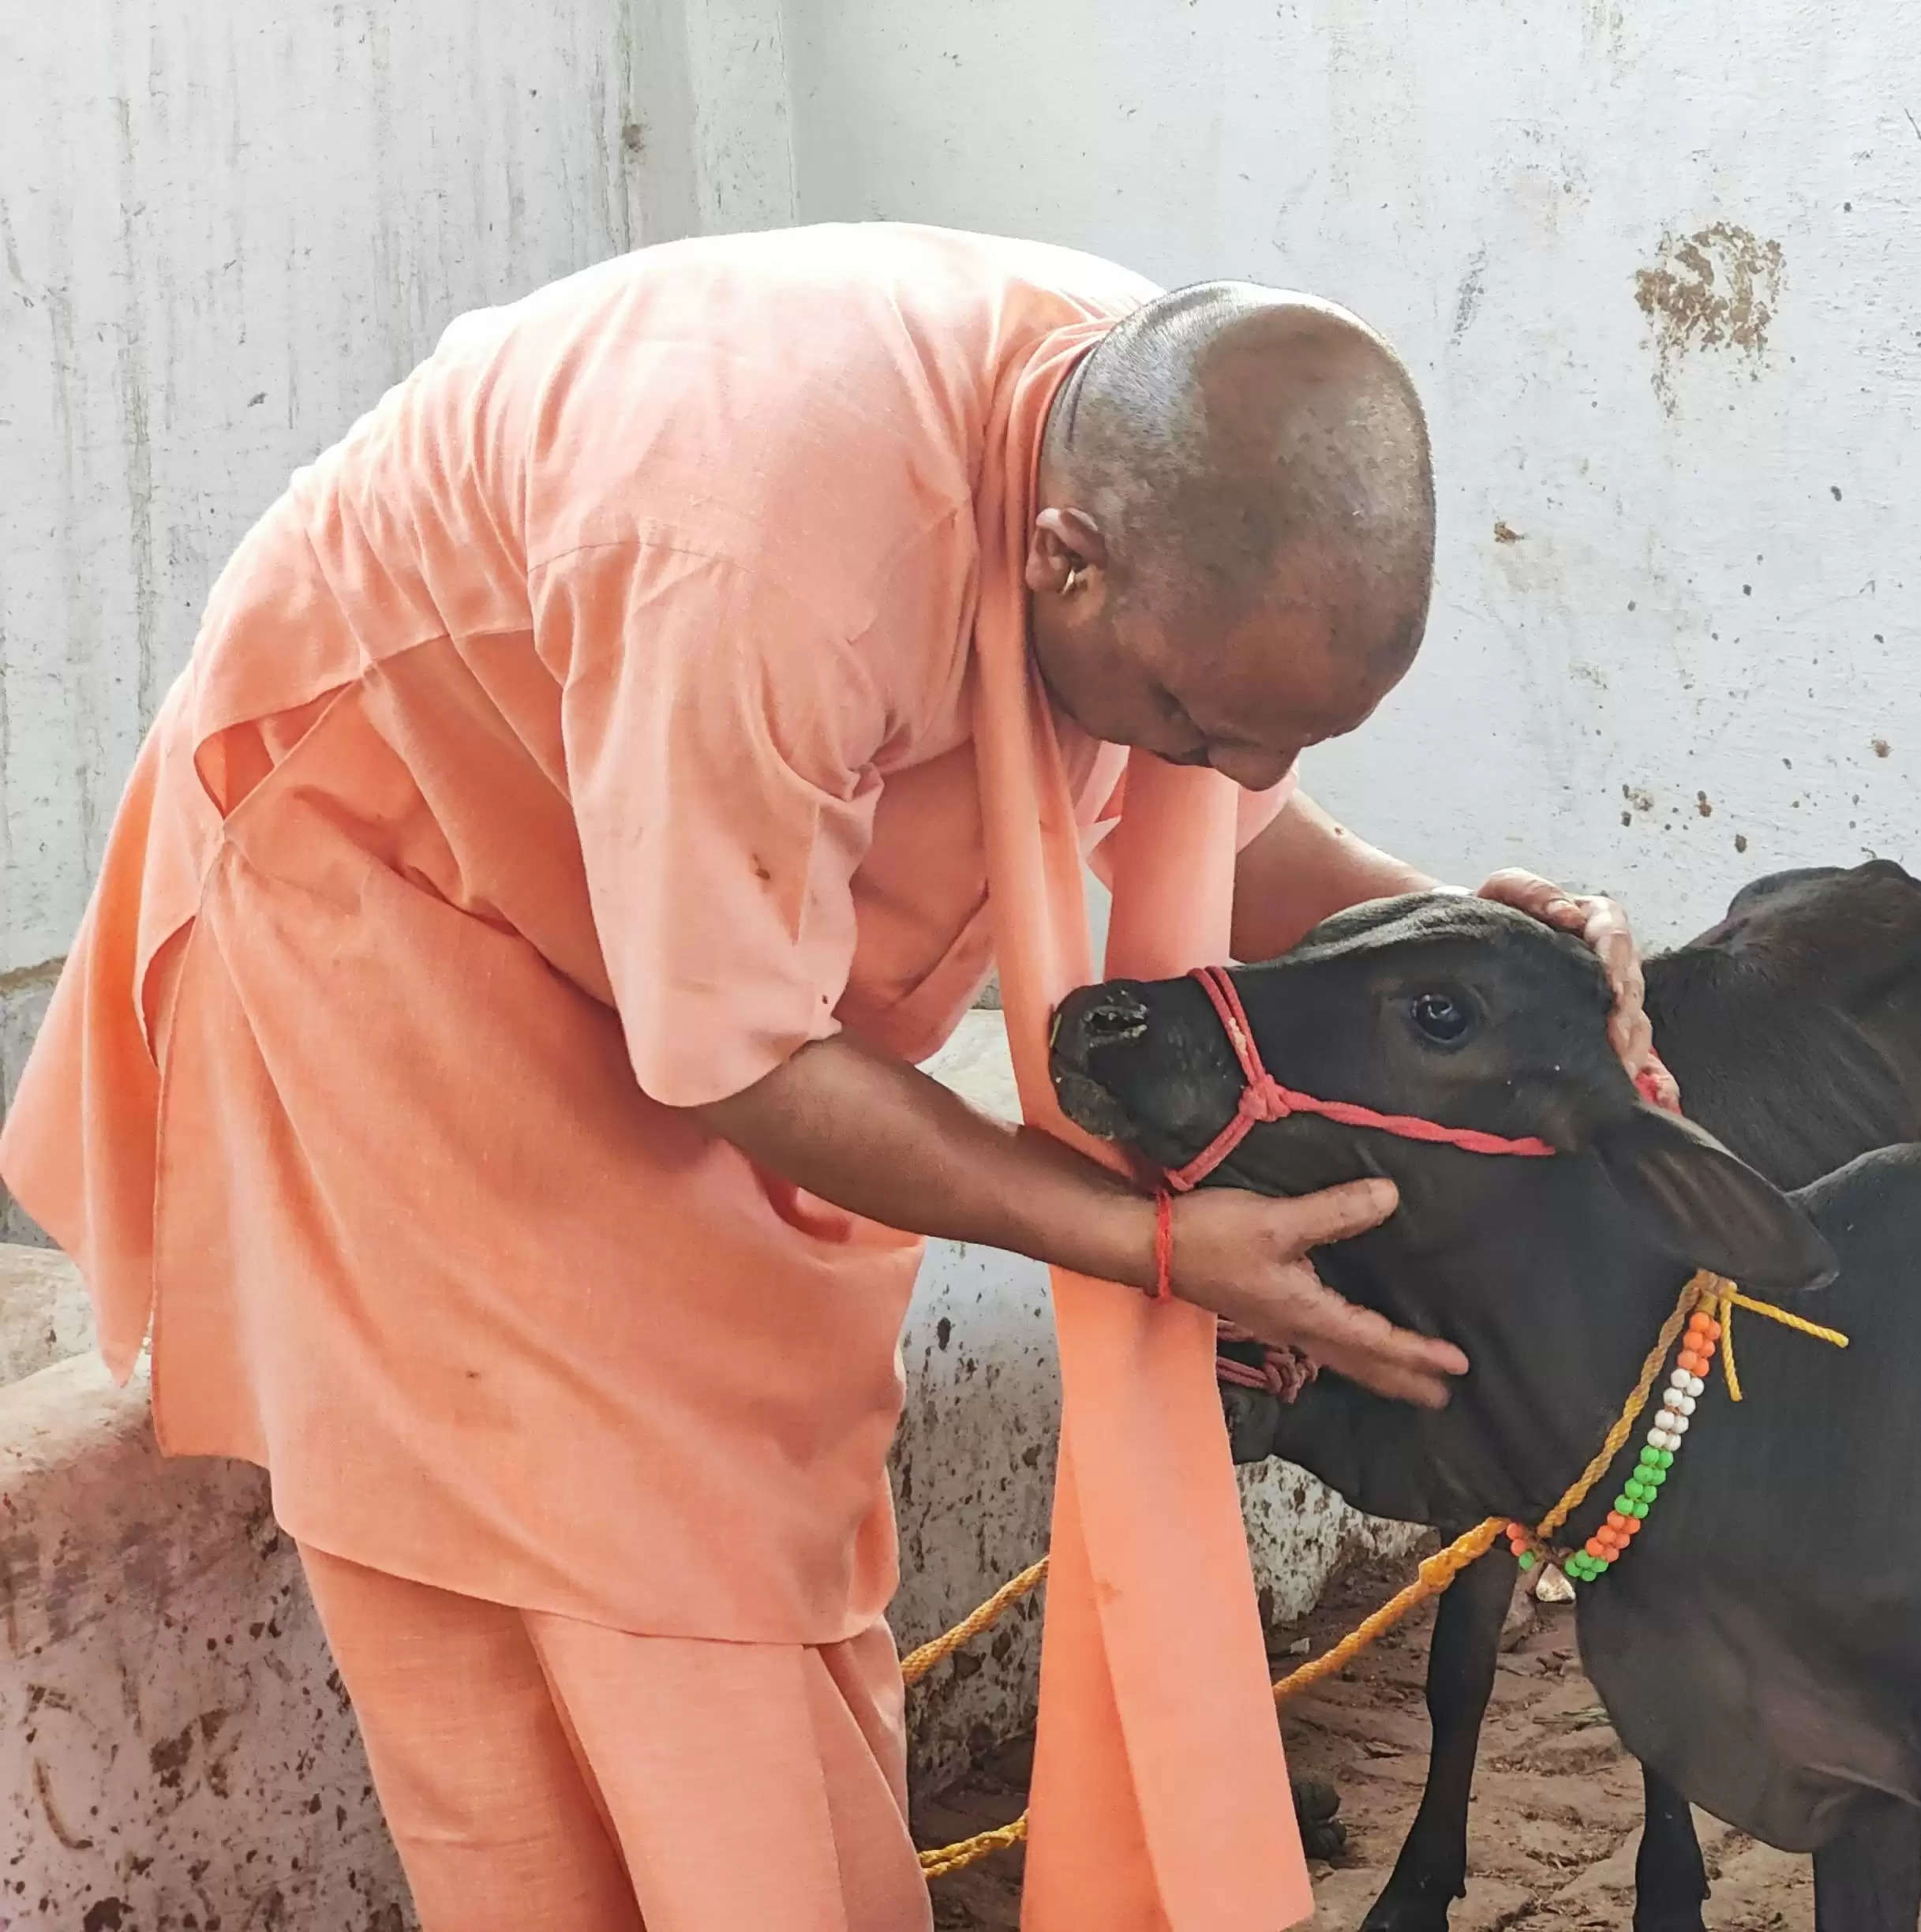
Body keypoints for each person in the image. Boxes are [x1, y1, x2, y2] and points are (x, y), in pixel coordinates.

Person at [0, 223, 1656, 1932]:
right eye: (1195, 723)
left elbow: (1232, 821)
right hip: (406, 918)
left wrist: (1483, 940)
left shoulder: (1143, 458)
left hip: (665, 939)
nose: (1230, 780)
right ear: (1065, 562)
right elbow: (736, 1058)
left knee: (748, 1548)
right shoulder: (760, 556)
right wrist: (1148, 1245)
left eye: (1280, 738)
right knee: (576, 1557)